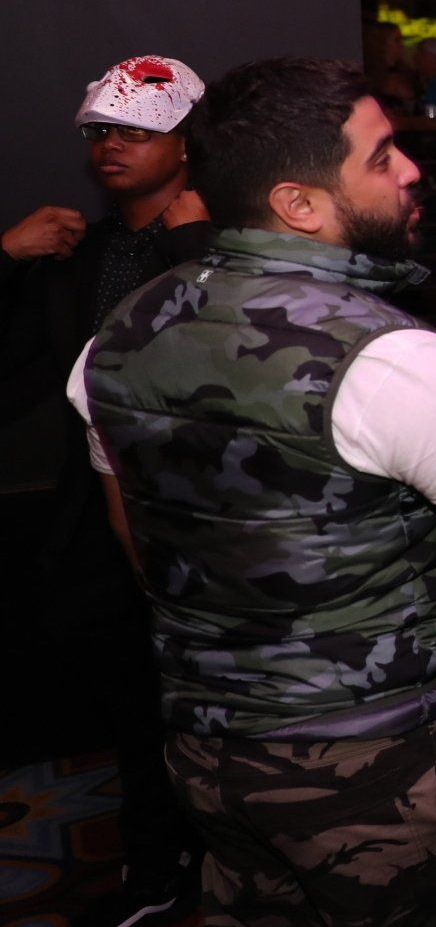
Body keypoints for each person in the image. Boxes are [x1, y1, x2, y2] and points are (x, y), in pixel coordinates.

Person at [67, 57, 436, 926]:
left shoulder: (117, 336)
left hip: (208, 753)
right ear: (298, 204)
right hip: (376, 768)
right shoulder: (384, 357)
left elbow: (140, 540)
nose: (412, 169)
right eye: (381, 157)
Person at [0, 56, 212, 927]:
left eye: (135, 130)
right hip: (102, 510)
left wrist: (193, 240)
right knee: (133, 698)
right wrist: (4, 255)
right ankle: (156, 868)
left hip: (215, 513)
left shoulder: (224, 244)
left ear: (187, 144)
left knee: (225, 699)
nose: (110, 147)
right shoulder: (73, 256)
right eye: (99, 132)